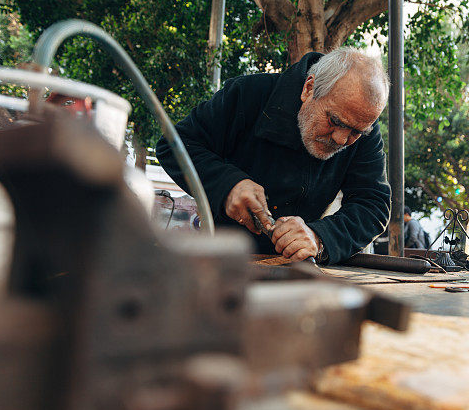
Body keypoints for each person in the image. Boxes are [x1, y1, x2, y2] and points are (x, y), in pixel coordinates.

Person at [155, 48, 391, 264]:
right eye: (334, 121)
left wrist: (320, 237)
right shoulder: (248, 95)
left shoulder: (361, 123)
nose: (341, 139)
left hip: (297, 268)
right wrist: (227, 184)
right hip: (222, 259)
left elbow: (373, 204)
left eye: (355, 132)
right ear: (309, 88)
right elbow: (174, 146)